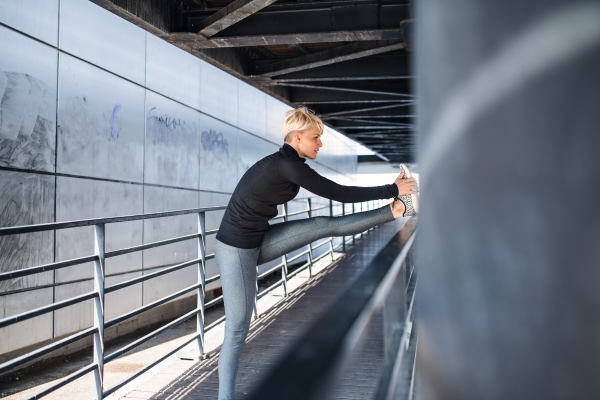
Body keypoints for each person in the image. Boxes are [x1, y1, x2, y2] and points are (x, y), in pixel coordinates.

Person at [214, 107, 418, 399]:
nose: (320, 144)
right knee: (236, 330)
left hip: (259, 238)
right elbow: (341, 193)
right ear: (297, 137)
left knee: (323, 225)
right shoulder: (287, 165)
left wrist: (393, 194)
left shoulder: (290, 162)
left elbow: (338, 193)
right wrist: (391, 187)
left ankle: (399, 208)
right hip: (236, 248)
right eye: (315, 138)